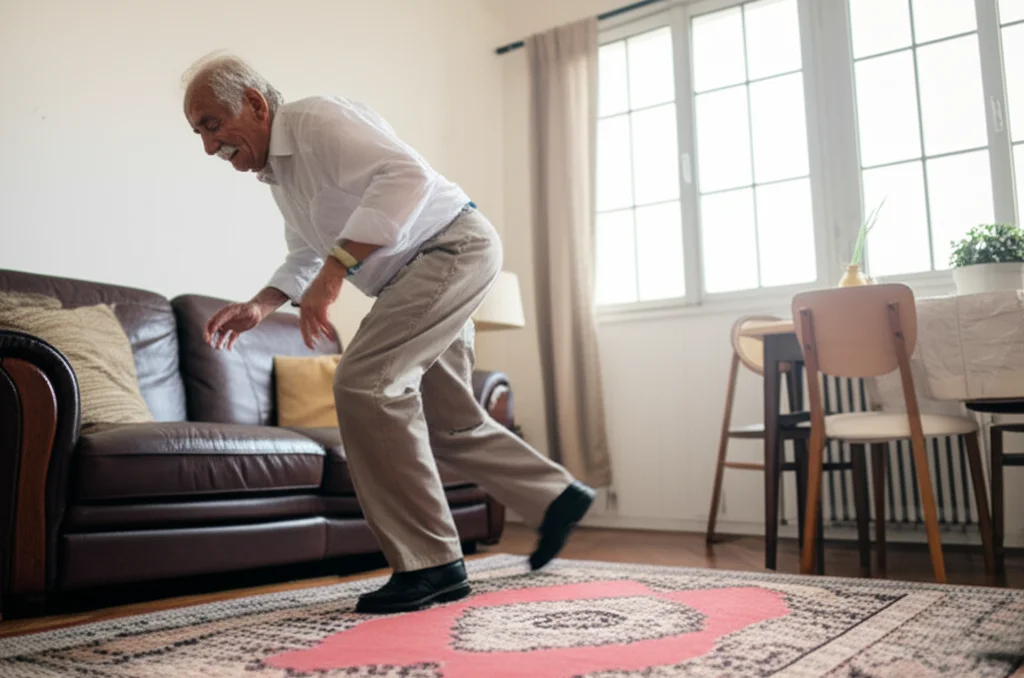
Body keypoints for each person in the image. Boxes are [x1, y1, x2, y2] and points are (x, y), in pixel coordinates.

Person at [181, 53, 596, 614]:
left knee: (365, 383)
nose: (208, 146)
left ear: (255, 104)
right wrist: (263, 303)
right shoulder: (282, 175)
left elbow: (409, 176)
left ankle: (431, 564)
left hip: (449, 248)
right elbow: (306, 249)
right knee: (450, 420)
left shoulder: (316, 121)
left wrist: (334, 274)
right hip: (427, 267)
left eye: (212, 125)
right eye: (198, 133)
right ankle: (556, 497)